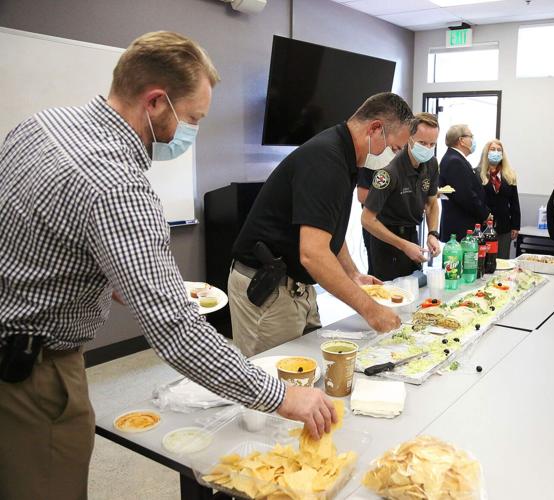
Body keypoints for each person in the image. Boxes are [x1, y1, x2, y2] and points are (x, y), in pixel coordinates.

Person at [0, 32, 335, 500]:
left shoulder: (45, 123)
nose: (189, 132)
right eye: (193, 118)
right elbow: (176, 331)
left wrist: (111, 273)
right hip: (29, 370)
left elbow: (34, 230)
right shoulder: (118, 185)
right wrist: (281, 395)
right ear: (156, 101)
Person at [230, 92, 412, 356]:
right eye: (394, 149)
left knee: (310, 368)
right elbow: (313, 253)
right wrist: (370, 310)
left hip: (297, 287)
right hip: (268, 287)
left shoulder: (345, 157)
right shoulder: (326, 160)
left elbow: (330, 233)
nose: (393, 158)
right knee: (276, 382)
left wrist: (353, 274)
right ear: (375, 129)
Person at [361, 113, 442, 281]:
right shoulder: (389, 170)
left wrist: (432, 233)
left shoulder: (432, 164)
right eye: (422, 143)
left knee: (415, 289)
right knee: (389, 296)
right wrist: (403, 245)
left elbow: (432, 204)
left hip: (411, 233)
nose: (427, 148)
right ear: (409, 138)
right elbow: (367, 220)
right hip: (386, 239)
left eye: (432, 144)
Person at [438, 124, 489, 242]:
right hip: (460, 228)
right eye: (471, 136)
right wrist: (485, 214)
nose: (473, 140)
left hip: (462, 226)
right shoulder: (455, 161)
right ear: (461, 140)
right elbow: (466, 196)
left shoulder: (457, 159)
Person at [477, 139, 521, 259]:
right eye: (492, 149)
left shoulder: (509, 175)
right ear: (486, 152)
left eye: (499, 150)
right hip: (483, 227)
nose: (496, 152)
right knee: (484, 260)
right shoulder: (477, 173)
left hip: (504, 227)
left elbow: (514, 202)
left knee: (502, 260)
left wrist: (515, 226)